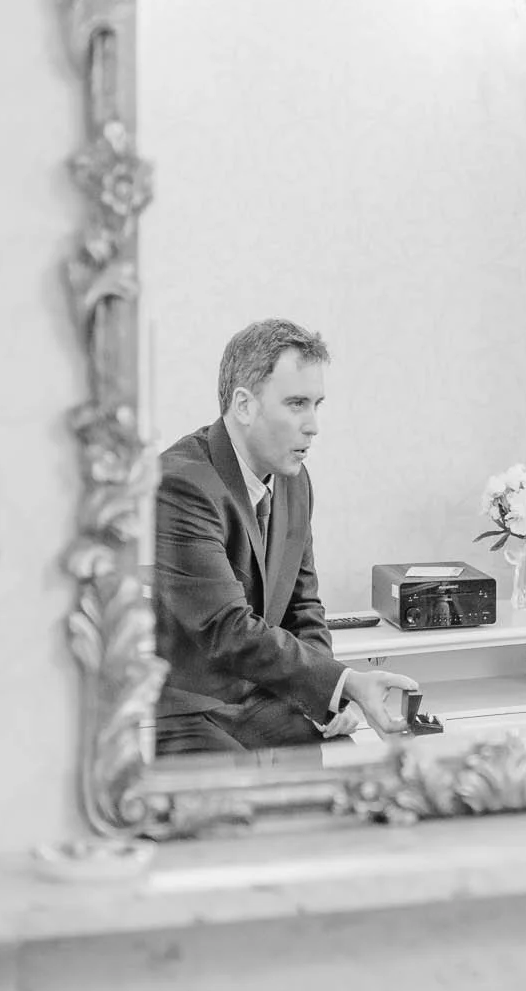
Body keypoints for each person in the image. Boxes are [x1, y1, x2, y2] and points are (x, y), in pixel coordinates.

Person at [153, 318, 418, 755]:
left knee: (347, 766)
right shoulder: (180, 485)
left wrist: (323, 697)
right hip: (186, 707)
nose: (313, 425)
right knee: (240, 789)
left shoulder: (294, 480)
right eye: (296, 404)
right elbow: (226, 629)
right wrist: (341, 683)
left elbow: (304, 608)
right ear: (244, 405)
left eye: (317, 404)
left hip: (257, 697)